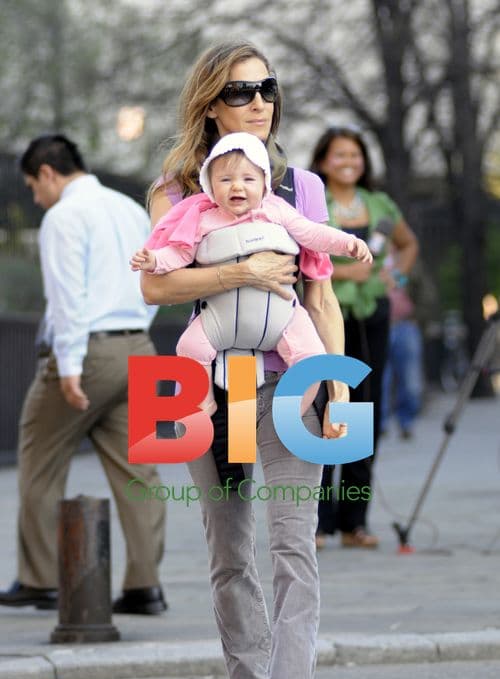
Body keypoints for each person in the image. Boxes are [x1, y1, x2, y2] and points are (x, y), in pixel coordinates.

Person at [141, 41, 349, 679]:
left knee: (296, 542)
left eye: (267, 88)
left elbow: (321, 296)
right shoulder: (174, 191)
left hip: (295, 380)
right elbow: (156, 285)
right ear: (210, 104)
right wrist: (246, 269)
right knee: (229, 548)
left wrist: (338, 386)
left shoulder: (302, 188)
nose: (259, 101)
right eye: (240, 91)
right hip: (211, 384)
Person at [0, 135, 167, 615]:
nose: (36, 198)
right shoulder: (129, 209)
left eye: (34, 186)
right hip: (138, 346)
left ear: (47, 173)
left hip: (88, 352)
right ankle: (145, 587)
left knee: (40, 455)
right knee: (139, 471)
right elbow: (154, 280)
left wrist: (69, 366)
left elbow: (68, 298)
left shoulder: (64, 216)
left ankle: (41, 579)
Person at [132, 131, 371, 416]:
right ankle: (202, 402)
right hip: (219, 321)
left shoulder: (278, 210)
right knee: (189, 347)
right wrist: (154, 260)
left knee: (310, 357)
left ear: (264, 184)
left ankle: (293, 411)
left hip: (282, 317)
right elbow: (178, 253)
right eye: (225, 180)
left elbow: (313, 234)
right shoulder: (203, 219)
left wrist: (348, 243)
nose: (237, 187)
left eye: (248, 179)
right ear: (210, 186)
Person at [309, 126, 419, 549]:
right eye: (339, 155)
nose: (348, 162)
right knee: (325, 410)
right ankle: (319, 522)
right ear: (323, 161)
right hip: (326, 316)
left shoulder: (379, 205)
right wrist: (342, 273)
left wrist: (396, 277)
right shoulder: (313, 204)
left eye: (355, 155)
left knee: (363, 414)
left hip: (372, 316)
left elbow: (407, 244)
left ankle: (355, 522)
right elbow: (300, 257)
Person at [380, 265, 423, 440]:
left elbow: (420, 287)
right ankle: (380, 424)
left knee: (410, 379)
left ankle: (407, 422)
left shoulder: (406, 258)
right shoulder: (365, 253)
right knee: (381, 378)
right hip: (378, 325)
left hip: (405, 324)